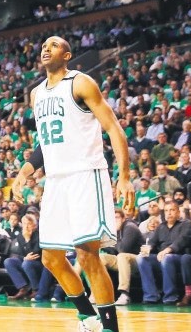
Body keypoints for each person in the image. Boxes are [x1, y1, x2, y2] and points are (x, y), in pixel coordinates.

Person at [30, 36, 133, 332]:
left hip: (85, 174)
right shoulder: (36, 94)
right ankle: (89, 317)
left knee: (88, 256)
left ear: (68, 54)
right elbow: (47, 140)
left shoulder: (81, 82)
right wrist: (28, 168)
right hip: (56, 180)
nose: (45, 48)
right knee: (50, 258)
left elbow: (113, 127)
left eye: (53, 44)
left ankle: (110, 328)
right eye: (43, 45)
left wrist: (124, 176)